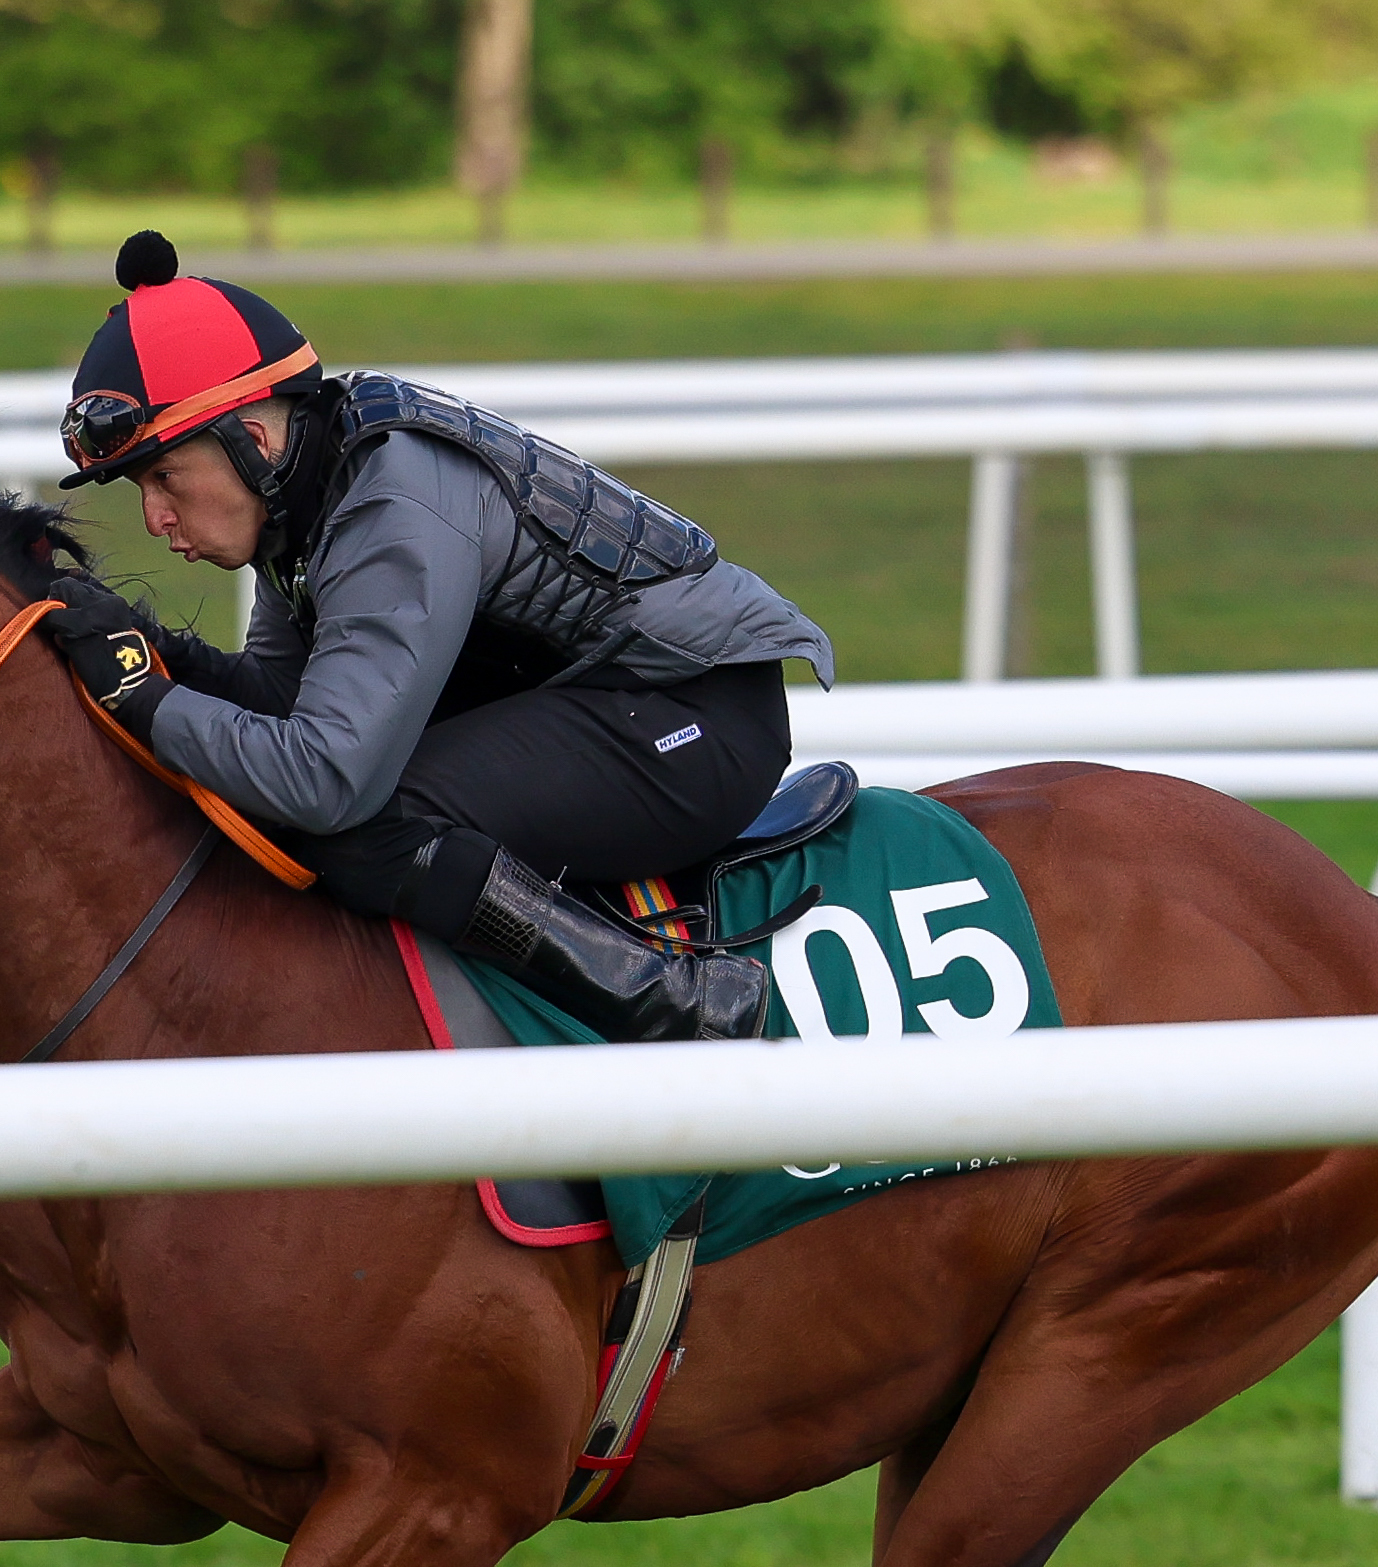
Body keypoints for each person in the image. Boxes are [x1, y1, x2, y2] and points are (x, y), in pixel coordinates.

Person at [48, 231, 834, 1044]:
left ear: (252, 440)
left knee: (357, 829)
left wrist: (144, 699)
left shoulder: (393, 503)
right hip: (610, 700)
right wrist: (144, 644)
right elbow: (283, 706)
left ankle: (679, 999)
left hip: (694, 719)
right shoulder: (306, 493)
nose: (154, 518)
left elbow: (322, 781)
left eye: (165, 477)